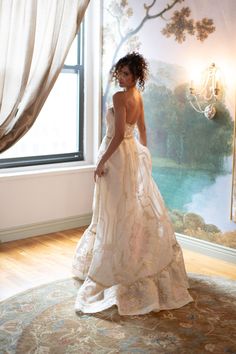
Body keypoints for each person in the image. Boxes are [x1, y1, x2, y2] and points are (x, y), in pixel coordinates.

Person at [72, 52, 193, 315]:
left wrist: (102, 160)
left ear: (136, 75)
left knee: (114, 212)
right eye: (119, 72)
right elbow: (143, 130)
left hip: (117, 156)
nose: (121, 76)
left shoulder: (120, 96)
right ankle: (132, 256)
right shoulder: (138, 96)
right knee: (130, 210)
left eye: (126, 73)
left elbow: (116, 136)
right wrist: (144, 156)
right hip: (131, 154)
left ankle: (117, 263)